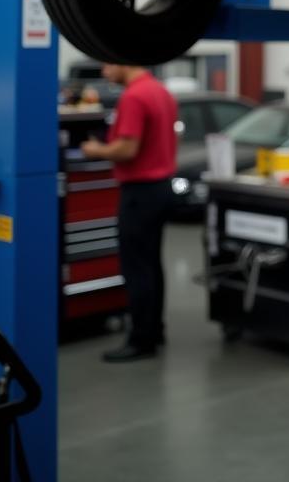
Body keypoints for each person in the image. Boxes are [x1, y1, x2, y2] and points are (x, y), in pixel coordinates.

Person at [81, 65, 178, 363]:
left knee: (137, 268)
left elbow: (127, 149)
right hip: (161, 188)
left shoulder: (134, 97)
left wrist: (95, 150)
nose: (103, 69)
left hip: (139, 192)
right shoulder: (160, 91)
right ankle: (154, 330)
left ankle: (140, 340)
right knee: (151, 264)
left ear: (124, 61)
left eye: (108, 62)